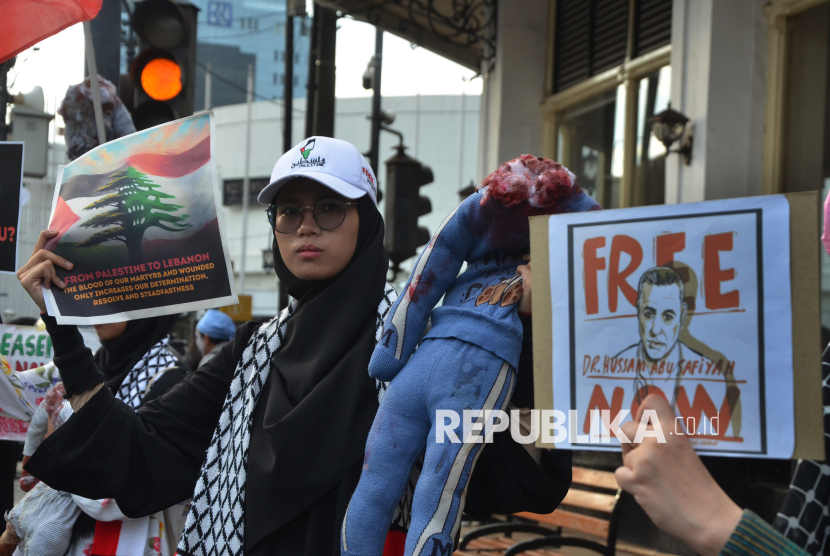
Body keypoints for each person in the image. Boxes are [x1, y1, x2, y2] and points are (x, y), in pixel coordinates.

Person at [17, 137, 411, 556]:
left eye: (329, 207)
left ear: (366, 219)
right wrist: (62, 326)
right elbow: (141, 448)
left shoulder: (413, 342)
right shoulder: (252, 353)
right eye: (289, 210)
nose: (305, 226)